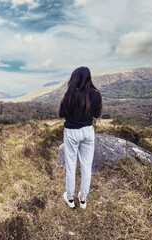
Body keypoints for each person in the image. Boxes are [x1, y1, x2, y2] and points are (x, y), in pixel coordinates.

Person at [59, 66, 102, 209]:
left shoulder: (69, 94)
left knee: (71, 165)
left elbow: (61, 114)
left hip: (71, 131)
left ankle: (70, 197)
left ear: (75, 78)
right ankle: (83, 198)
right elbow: (97, 115)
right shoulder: (96, 94)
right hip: (88, 131)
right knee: (86, 166)